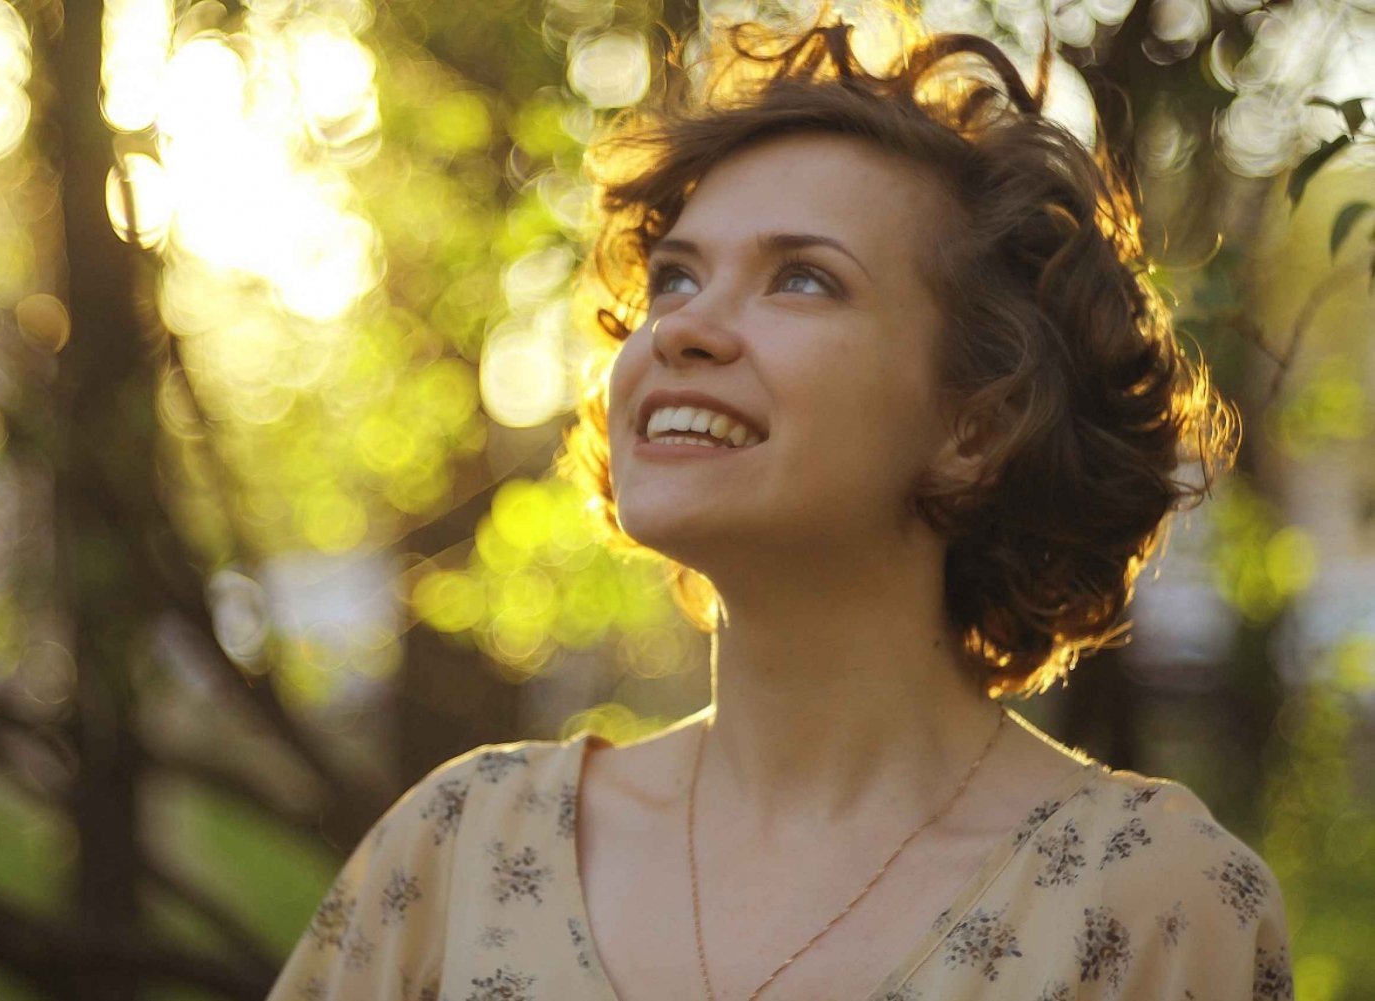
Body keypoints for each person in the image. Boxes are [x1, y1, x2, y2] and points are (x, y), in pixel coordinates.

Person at [267, 11, 1292, 1001]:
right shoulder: (460, 846)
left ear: (979, 424)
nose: (682, 330)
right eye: (675, 279)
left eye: (802, 279)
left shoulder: (1151, 898)